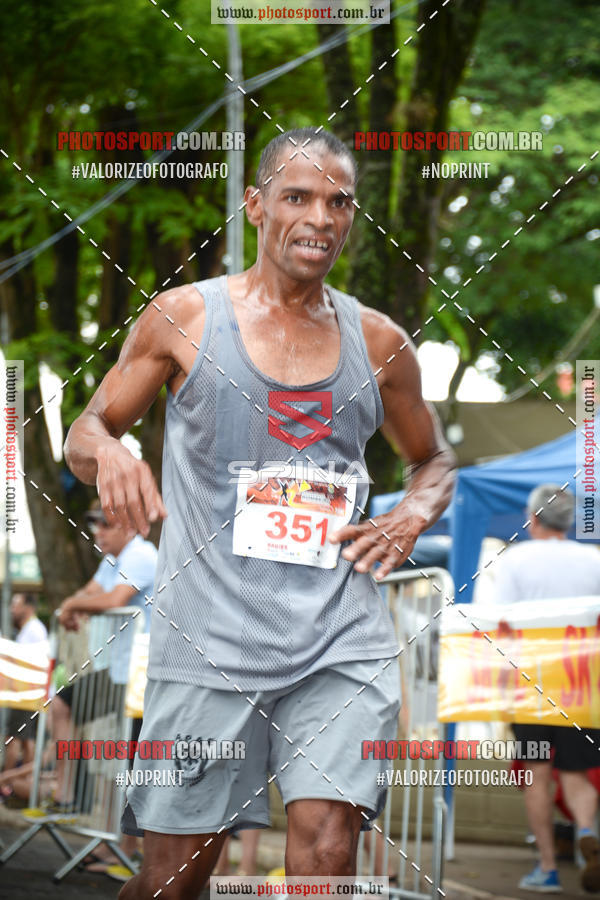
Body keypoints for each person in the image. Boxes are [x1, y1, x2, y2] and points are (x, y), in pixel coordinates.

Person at [63, 126, 456, 899]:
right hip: (207, 636)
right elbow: (88, 429)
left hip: (339, 636)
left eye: (338, 201)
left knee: (327, 850)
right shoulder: (184, 318)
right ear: (255, 205)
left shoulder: (381, 342)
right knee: (174, 878)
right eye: (298, 197)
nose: (320, 217)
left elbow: (433, 459)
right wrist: (110, 454)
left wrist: (415, 510)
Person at [494, 483, 600, 894]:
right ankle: (587, 834)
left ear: (533, 519)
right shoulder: (593, 560)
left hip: (531, 682)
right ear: (569, 521)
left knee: (536, 774)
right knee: (576, 772)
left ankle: (548, 867)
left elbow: (499, 624)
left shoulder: (514, 560)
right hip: (581, 680)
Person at [51, 504, 157, 873]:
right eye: (93, 524)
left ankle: (126, 851)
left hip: (142, 677)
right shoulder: (111, 559)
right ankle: (66, 796)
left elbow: (113, 601)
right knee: (61, 706)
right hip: (117, 674)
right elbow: (92, 590)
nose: (98, 532)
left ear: (129, 526)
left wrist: (71, 605)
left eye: (105, 525)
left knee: (131, 765)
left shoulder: (142, 553)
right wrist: (75, 603)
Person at [1, 594, 48, 801]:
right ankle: (23, 785)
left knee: (14, 738)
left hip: (27, 693)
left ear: (28, 607)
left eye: (15, 604)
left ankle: (6, 785)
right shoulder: (33, 628)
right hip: (32, 693)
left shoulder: (33, 630)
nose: (12, 608)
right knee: (27, 740)